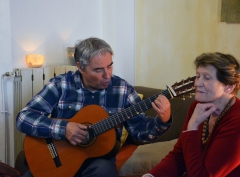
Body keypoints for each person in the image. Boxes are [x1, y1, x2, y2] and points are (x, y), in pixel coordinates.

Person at [16, 37, 172, 177]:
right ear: (80, 67)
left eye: (109, 66)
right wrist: (64, 128)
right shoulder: (61, 84)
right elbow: (24, 118)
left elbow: (140, 131)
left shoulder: (122, 89)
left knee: (104, 169)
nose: (107, 75)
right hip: (59, 159)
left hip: (97, 163)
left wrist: (162, 121)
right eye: (98, 70)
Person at [143, 52, 240, 177]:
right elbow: (179, 155)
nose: (197, 83)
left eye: (207, 77)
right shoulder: (198, 106)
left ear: (229, 87)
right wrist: (151, 176)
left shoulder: (237, 121)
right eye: (198, 76)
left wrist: (193, 126)